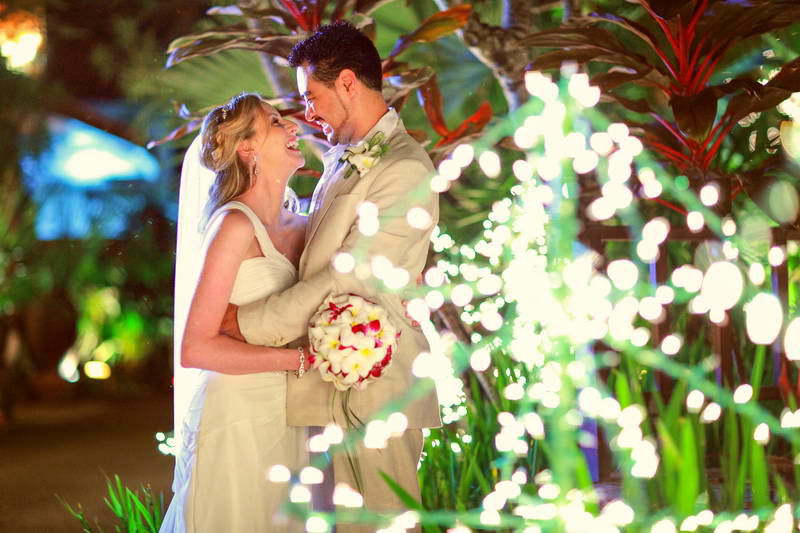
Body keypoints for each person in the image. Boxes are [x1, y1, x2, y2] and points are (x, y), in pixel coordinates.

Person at [221, 21, 442, 531]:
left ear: (347, 83)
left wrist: (243, 324)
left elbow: (347, 279)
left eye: (311, 97)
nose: (308, 113)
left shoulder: (403, 168)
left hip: (376, 387)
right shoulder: (343, 160)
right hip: (331, 379)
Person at [161, 92, 310, 533]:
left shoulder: (307, 224)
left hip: (293, 416)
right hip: (237, 417)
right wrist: (298, 360)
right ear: (247, 148)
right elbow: (195, 348)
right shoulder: (234, 226)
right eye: (276, 122)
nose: (293, 127)